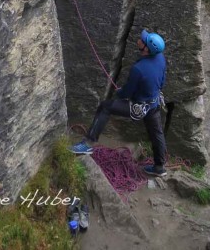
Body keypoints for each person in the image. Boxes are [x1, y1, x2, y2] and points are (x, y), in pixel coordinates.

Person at [71, 29, 168, 177]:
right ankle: (159, 167)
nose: (140, 39)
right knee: (157, 133)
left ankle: (88, 144)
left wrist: (120, 92)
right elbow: (162, 81)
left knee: (105, 107)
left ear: (147, 49)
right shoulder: (160, 58)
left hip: (138, 106)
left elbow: (127, 93)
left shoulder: (138, 69)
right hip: (153, 103)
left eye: (143, 40)